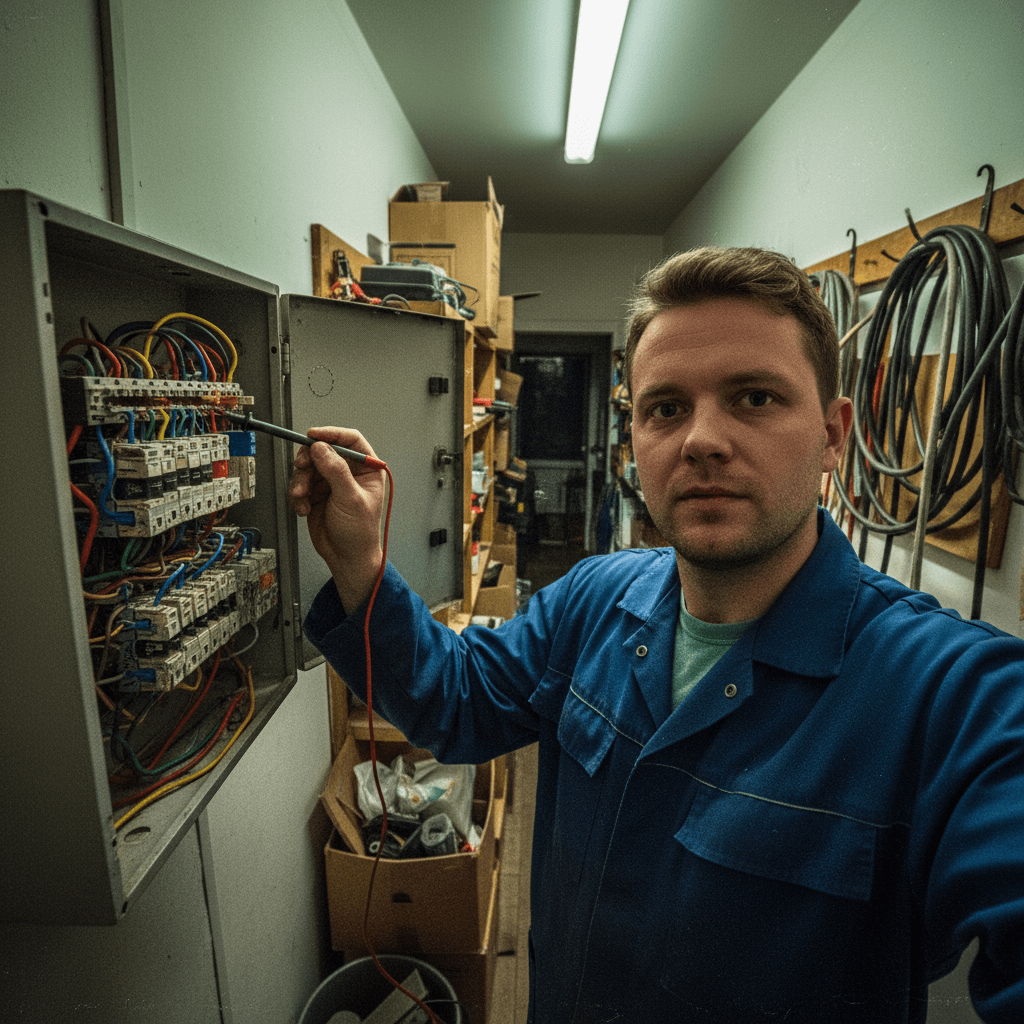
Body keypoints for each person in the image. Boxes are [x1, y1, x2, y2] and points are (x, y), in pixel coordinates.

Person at [288, 246, 1024, 1024]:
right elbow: (457, 700)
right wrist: (363, 566)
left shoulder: (951, 695)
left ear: (834, 435)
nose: (702, 439)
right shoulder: (593, 597)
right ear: (635, 434)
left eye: (754, 398)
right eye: (665, 408)